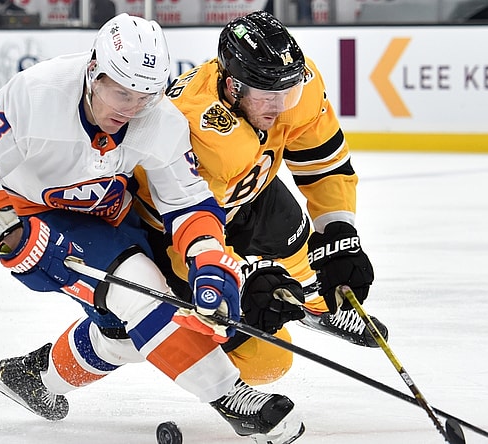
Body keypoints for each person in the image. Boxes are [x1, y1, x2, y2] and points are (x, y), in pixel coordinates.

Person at [0, 13, 304, 444]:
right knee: (136, 288)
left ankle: (36, 378)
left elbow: (186, 202)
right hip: (36, 216)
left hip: (112, 214)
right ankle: (231, 398)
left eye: (145, 96)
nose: (131, 109)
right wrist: (11, 234)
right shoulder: (36, 94)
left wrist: (208, 259)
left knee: (130, 332)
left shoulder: (161, 120)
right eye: (121, 92)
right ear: (94, 71)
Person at [133, 10, 389, 385]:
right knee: (269, 361)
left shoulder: (295, 90)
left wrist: (338, 230)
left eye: (290, 91)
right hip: (173, 234)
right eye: (270, 95)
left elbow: (325, 166)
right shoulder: (193, 127)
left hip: (247, 191)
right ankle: (49, 369)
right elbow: (191, 227)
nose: (283, 105)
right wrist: (244, 280)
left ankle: (319, 306)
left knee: (302, 243)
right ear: (233, 87)